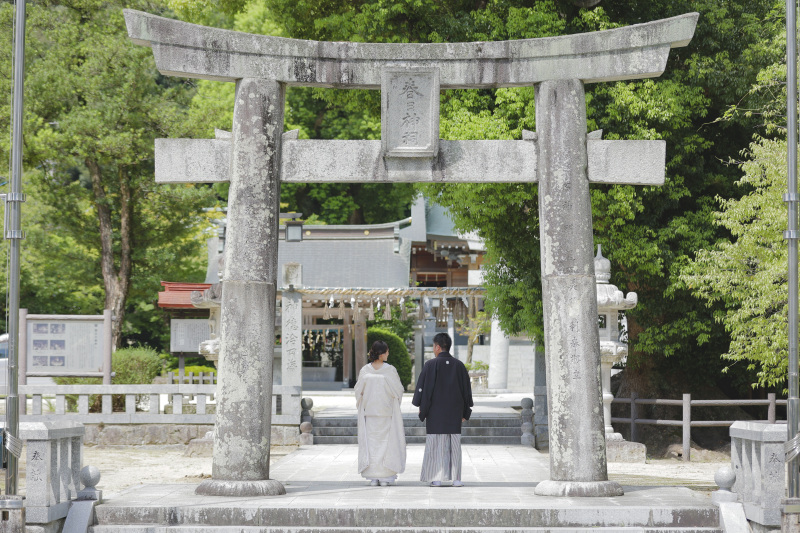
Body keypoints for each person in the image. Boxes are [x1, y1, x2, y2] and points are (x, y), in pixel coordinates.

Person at [412, 332, 473, 487]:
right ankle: (456, 479)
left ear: (438, 347)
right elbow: (467, 391)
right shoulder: (459, 365)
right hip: (454, 412)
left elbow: (423, 389)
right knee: (454, 446)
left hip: (435, 413)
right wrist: (466, 412)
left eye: (433, 346)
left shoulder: (430, 365)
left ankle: (436, 478)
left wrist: (421, 407)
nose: (433, 349)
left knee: (435, 446)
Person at [354, 340, 407, 486]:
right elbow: (398, 390)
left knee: (372, 444)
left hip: (370, 412)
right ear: (382, 353)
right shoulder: (389, 370)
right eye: (387, 351)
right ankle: (385, 475)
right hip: (385, 412)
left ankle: (373, 476)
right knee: (386, 443)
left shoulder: (366, 370)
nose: (388, 353)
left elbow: (358, 391)